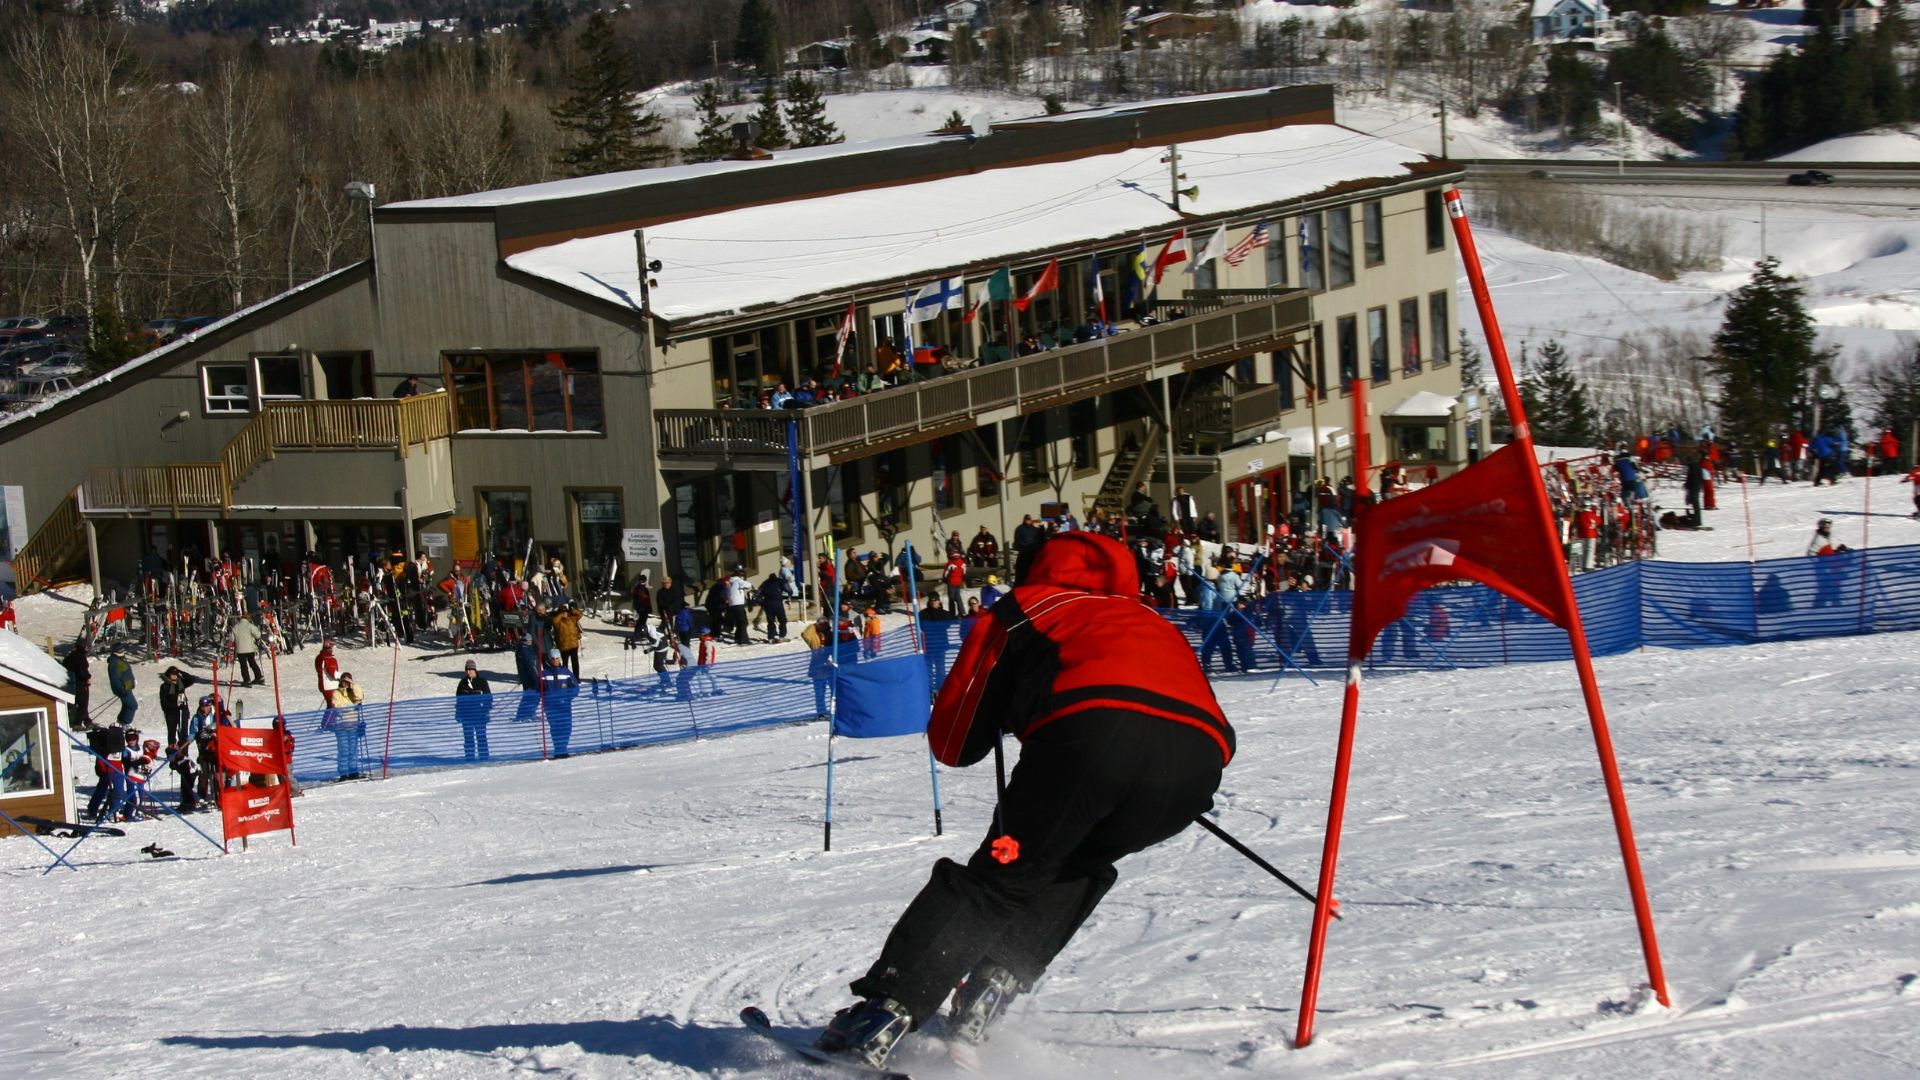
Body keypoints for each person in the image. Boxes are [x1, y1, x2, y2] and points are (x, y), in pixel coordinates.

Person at [812, 532, 1233, 1069]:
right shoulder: (1150, 618)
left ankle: (882, 1016)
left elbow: (954, 741)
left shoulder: (1023, 609)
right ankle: (985, 996)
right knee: (1077, 862)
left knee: (997, 882)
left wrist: (1010, 715)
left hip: (1093, 738)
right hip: (1197, 765)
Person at [541, 648, 579, 757]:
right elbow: (539, 689)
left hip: (564, 705)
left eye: (557, 658)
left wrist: (568, 698)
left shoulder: (565, 672)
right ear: (549, 659)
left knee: (566, 726)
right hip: (551, 706)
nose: (555, 660)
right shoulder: (544, 674)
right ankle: (558, 750)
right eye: (553, 658)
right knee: (555, 727)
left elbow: (575, 687)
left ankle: (563, 748)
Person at [454, 660, 493, 761]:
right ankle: (470, 758)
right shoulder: (462, 683)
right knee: (468, 738)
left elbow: (488, 698)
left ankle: (484, 758)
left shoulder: (482, 682)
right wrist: (458, 713)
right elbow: (459, 700)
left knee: (481, 737)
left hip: (480, 716)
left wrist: (485, 710)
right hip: (466, 716)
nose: (468, 672)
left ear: (475, 670)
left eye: (470, 669)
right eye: (467, 670)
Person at [331, 672, 366, 780]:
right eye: (344, 681)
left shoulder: (353, 693)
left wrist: (353, 684)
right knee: (344, 750)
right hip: (341, 726)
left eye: (348, 681)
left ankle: (353, 772)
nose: (346, 683)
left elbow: (360, 696)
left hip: (353, 725)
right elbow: (337, 706)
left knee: (353, 750)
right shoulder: (336, 693)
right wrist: (353, 706)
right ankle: (343, 773)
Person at [158, 665, 201, 746]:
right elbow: (163, 702)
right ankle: (172, 751)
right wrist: (174, 706)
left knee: (184, 733)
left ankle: (184, 752)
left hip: (182, 711)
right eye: (172, 674)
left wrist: (180, 671)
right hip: (171, 713)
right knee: (172, 733)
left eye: (176, 674)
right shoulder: (164, 686)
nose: (174, 675)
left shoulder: (181, 682)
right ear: (168, 674)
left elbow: (191, 679)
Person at [62, 639, 91, 730]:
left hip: (70, 683)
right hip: (80, 684)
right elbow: (82, 670)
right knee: (83, 704)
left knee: (77, 703)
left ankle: (87, 720)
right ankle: (78, 723)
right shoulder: (81, 656)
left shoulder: (71, 655)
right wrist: (87, 677)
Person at [107, 644, 137, 728]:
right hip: (122, 689)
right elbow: (115, 678)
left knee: (127, 705)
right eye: (122, 651)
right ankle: (125, 724)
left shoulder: (120, 660)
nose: (124, 652)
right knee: (132, 705)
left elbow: (126, 673)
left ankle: (120, 722)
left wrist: (132, 681)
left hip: (127, 687)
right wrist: (120, 688)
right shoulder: (114, 662)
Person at [231, 612, 265, 687]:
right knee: (252, 663)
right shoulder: (250, 626)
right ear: (248, 619)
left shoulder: (236, 627)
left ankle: (246, 680)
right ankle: (258, 676)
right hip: (250, 648)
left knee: (243, 665)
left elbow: (231, 638)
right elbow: (258, 635)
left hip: (240, 649)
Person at [551, 603, 584, 679]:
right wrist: (561, 615)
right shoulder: (558, 621)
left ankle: (576, 677)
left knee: (575, 663)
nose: (565, 613)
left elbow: (580, 614)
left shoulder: (572, 618)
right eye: (563, 612)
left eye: (566, 611)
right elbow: (554, 622)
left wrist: (572, 610)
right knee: (565, 664)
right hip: (564, 646)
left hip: (573, 644)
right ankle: (564, 677)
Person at [758, 571, 790, 643]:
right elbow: (788, 589)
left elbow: (759, 593)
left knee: (770, 621)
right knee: (782, 620)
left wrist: (761, 602)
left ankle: (771, 637)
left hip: (767, 604)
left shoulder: (765, 583)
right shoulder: (780, 581)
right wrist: (789, 594)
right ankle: (782, 636)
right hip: (777, 603)